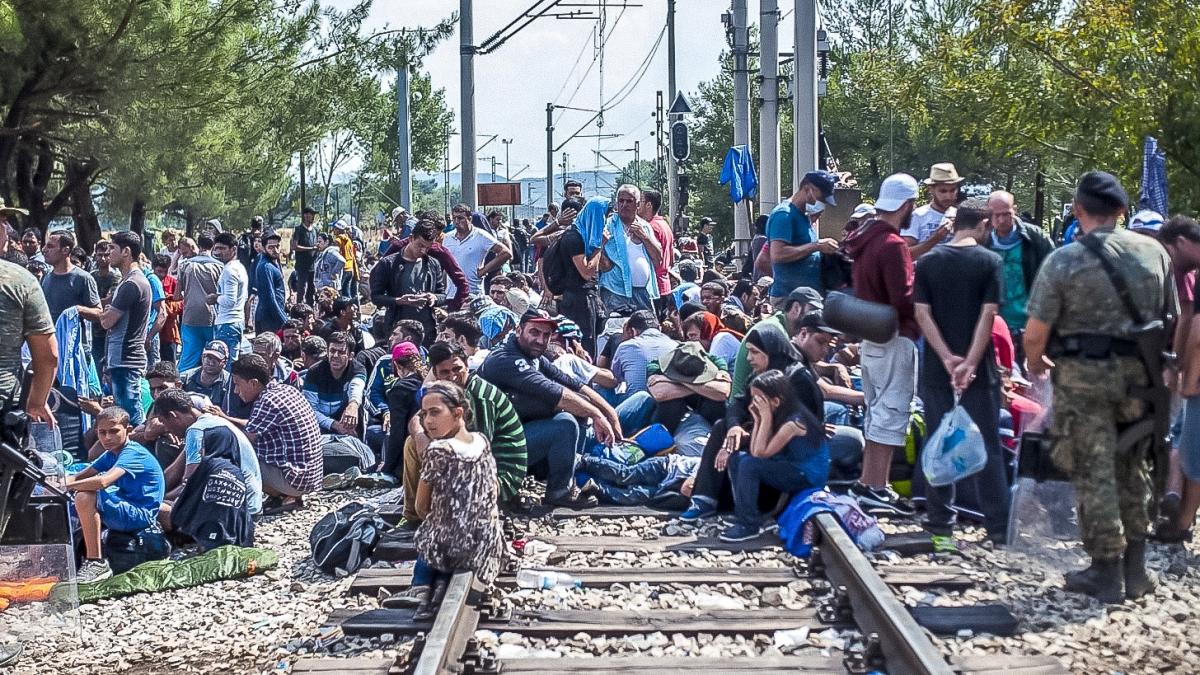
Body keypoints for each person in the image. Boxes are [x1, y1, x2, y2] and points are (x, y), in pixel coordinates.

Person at [1024, 171, 1176, 603]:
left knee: (1094, 470)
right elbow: (1172, 318)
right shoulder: (1155, 253)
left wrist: (1036, 364)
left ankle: (1105, 569)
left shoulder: (1065, 259)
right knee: (1134, 465)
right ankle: (1137, 570)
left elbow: (1036, 332)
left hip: (1083, 379)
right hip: (1142, 380)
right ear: (1123, 211)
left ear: (1078, 211)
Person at [912, 200, 1009, 542]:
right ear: (982, 224)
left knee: (938, 443)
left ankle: (940, 525)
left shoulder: (927, 262)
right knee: (989, 445)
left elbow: (923, 315)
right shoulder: (990, 262)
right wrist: (969, 361)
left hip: (938, 372)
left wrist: (947, 358)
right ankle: (998, 528)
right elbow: (988, 314)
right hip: (980, 372)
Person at [479, 309, 636, 508]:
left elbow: (572, 383)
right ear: (518, 330)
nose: (540, 340)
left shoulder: (534, 357)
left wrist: (609, 412)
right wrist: (596, 414)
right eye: (534, 332)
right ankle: (559, 491)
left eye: (546, 335)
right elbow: (557, 394)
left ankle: (568, 478)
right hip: (497, 449)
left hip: (517, 438)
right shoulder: (507, 359)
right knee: (565, 423)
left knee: (576, 409)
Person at [385, 381, 504, 619]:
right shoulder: (481, 440)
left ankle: (420, 586)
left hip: (454, 546)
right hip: (487, 542)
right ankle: (439, 586)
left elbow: (420, 507)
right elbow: (494, 489)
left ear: (458, 412)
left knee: (432, 531)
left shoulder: (438, 450)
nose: (428, 421)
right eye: (424, 414)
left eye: (435, 413)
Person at [841, 173, 921, 516]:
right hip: (895, 335)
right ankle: (877, 486)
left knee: (876, 411)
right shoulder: (893, 245)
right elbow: (902, 297)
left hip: (870, 336)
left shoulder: (863, 240)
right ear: (907, 205)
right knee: (892, 413)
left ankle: (868, 482)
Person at [720, 370, 830, 542]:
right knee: (738, 459)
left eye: (760, 398)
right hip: (789, 464)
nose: (754, 402)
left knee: (749, 464)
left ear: (776, 401)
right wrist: (758, 418)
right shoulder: (778, 415)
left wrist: (764, 417)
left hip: (807, 475)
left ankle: (748, 525)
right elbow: (756, 450)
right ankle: (750, 514)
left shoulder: (794, 423)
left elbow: (760, 453)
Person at [65, 407, 165, 583]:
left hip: (139, 515)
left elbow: (103, 481)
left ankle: (96, 562)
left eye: (113, 431)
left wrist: (69, 486)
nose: (107, 438)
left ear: (128, 430)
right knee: (79, 487)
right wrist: (57, 482)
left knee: (85, 496)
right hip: (124, 505)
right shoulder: (111, 453)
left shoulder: (133, 453)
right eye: (102, 433)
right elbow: (81, 475)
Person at [154, 388, 263, 520]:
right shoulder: (211, 422)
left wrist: (159, 499)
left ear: (173, 415)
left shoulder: (196, 431)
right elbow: (176, 471)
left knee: (156, 510)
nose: (165, 428)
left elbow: (189, 484)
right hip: (252, 506)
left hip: (237, 511)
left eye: (163, 421)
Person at [78, 231, 151, 425]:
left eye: (112, 248)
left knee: (129, 419)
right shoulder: (128, 281)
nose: (108, 253)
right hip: (121, 360)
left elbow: (106, 322)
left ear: (126, 251)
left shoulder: (132, 283)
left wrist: (86, 310)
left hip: (126, 360)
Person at [232, 354, 323, 508]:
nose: (235, 390)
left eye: (238, 384)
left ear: (253, 383)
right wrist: (224, 418)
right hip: (311, 476)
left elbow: (243, 441)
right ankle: (285, 495)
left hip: (297, 481)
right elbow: (254, 425)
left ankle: (284, 496)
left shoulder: (267, 401)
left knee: (236, 455)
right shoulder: (285, 389)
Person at [983, 190, 1055, 349]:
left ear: (1015, 210)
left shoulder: (1035, 237)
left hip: (1031, 324)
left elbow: (1054, 274)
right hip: (995, 328)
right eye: (996, 215)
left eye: (1006, 214)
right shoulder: (983, 240)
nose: (1001, 220)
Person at [767, 171, 840, 306]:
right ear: (807, 189)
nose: (822, 203)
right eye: (821, 198)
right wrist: (816, 246)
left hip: (806, 299)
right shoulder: (784, 215)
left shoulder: (803, 216)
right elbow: (778, 254)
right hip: (790, 300)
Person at [369, 220, 447, 345]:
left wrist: (433, 298)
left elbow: (442, 294)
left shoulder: (433, 264)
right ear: (411, 238)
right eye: (420, 245)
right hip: (399, 330)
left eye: (427, 247)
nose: (423, 251)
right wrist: (399, 301)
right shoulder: (388, 264)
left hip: (427, 330)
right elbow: (376, 297)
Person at [596, 185, 662, 315]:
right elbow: (595, 257)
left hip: (643, 292)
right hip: (615, 291)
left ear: (637, 204)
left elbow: (658, 258)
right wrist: (602, 246)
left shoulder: (645, 226)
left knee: (647, 330)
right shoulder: (608, 225)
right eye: (621, 201)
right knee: (616, 331)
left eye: (629, 201)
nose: (624, 205)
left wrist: (644, 237)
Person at [41, 230, 100, 358]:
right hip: (50, 350)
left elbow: (99, 313)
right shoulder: (46, 278)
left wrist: (78, 310)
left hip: (74, 352)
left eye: (50, 246)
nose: (44, 249)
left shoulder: (83, 278)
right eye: (45, 245)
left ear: (65, 250)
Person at [302, 331, 366, 435]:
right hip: (320, 424)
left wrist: (353, 405)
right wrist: (335, 425)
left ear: (350, 355)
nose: (335, 355)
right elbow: (310, 411)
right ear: (327, 352)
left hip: (346, 419)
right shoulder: (314, 372)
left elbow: (356, 389)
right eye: (332, 351)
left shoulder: (357, 369)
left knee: (359, 407)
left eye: (341, 352)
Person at [175, 233, 223, 370]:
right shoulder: (220, 266)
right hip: (212, 318)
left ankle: (180, 386)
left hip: (190, 317)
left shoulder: (185, 265)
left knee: (187, 359)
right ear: (213, 245)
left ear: (198, 244)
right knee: (214, 358)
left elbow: (177, 295)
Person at [445, 204, 511, 297]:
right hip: (451, 293)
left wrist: (483, 271)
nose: (457, 221)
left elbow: (505, 253)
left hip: (473, 292)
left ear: (470, 219)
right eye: (454, 218)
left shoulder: (480, 235)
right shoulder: (448, 237)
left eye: (460, 218)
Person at [901, 162, 963, 259]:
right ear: (931, 190)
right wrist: (934, 239)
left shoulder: (960, 215)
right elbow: (905, 254)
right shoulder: (918, 216)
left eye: (952, 190)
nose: (948, 196)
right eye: (943, 191)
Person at [611, 310, 678, 397]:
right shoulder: (676, 345)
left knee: (602, 389)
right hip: (668, 402)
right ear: (659, 328)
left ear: (632, 331)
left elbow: (614, 379)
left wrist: (625, 338)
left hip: (637, 406)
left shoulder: (626, 346)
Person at [208, 232, 249, 363]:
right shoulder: (239, 267)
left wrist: (215, 298)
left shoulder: (229, 270)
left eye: (222, 248)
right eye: (216, 248)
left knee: (226, 365)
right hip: (234, 322)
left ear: (234, 249)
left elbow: (230, 301)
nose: (218, 252)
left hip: (228, 323)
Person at [90, 241, 123, 368]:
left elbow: (111, 299)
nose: (103, 258)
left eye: (106, 255)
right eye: (99, 255)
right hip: (94, 327)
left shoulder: (116, 276)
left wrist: (94, 303)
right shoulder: (92, 276)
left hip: (111, 326)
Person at [253, 232, 288, 333]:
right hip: (269, 319)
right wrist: (284, 321)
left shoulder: (273, 263)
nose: (276, 250)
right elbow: (269, 298)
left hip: (274, 316)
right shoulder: (265, 267)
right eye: (271, 247)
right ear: (264, 248)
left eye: (277, 246)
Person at [151, 254, 182, 363]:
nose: (162, 275)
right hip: (152, 331)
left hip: (168, 332)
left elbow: (182, 302)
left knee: (169, 365)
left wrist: (169, 306)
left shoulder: (173, 282)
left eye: (165, 271)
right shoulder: (148, 281)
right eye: (159, 271)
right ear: (153, 268)